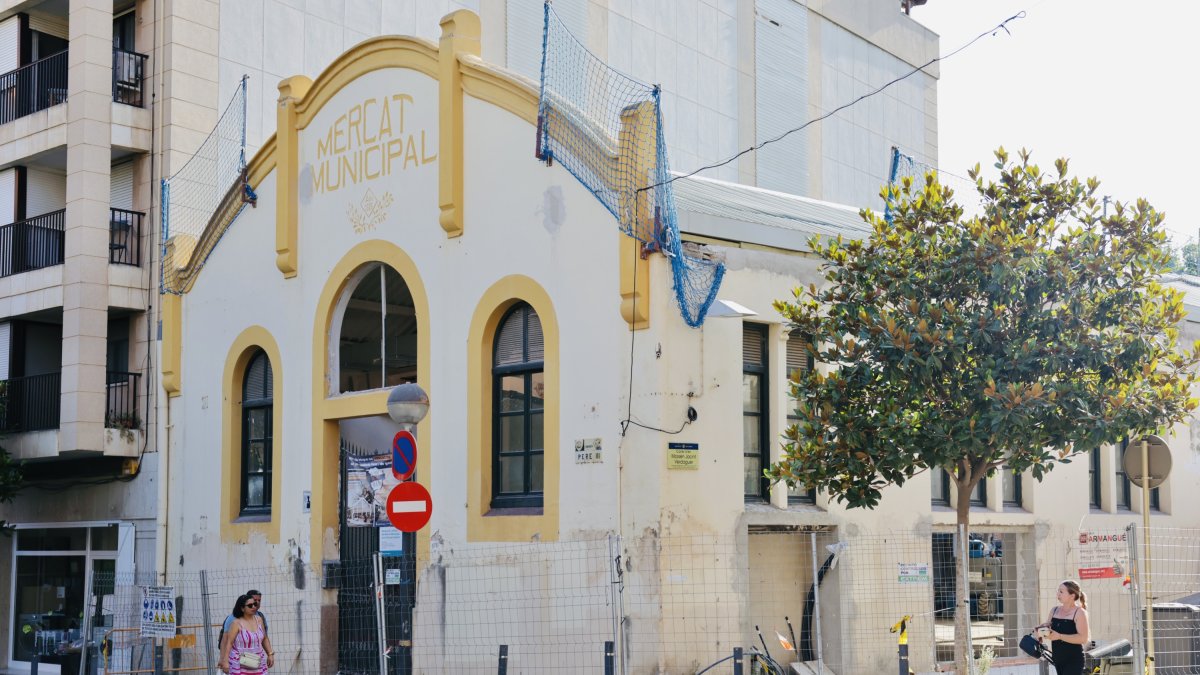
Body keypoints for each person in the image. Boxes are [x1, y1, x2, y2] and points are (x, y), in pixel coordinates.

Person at [1035, 580, 1091, 675]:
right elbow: (1048, 627)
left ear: (1072, 596)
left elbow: (1083, 638)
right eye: (1058, 591)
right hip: (1058, 659)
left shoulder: (1079, 613)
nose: (1058, 594)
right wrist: (1040, 631)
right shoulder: (1054, 610)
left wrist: (1060, 636)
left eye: (1061, 591)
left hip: (1073, 661)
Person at [218, 594, 274, 674]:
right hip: (240, 664)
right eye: (250, 605)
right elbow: (229, 643)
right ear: (242, 608)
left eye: (255, 604)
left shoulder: (259, 620)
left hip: (257, 662)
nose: (254, 607)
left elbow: (264, 638)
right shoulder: (236, 623)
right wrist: (225, 661)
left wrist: (270, 654)